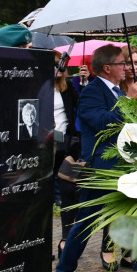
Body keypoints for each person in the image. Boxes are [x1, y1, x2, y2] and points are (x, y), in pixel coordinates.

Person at [52, 44, 137, 272]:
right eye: (121, 63)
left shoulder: (118, 90)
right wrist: (129, 101)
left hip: (125, 167)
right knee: (86, 223)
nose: (126, 67)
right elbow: (101, 121)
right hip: (101, 169)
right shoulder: (93, 91)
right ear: (108, 68)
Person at [51, 52, 81, 261]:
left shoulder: (67, 86)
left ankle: (64, 240)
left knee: (65, 191)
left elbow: (77, 107)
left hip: (65, 144)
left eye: (62, 67)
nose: (59, 70)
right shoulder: (40, 86)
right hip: (44, 143)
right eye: (56, 66)